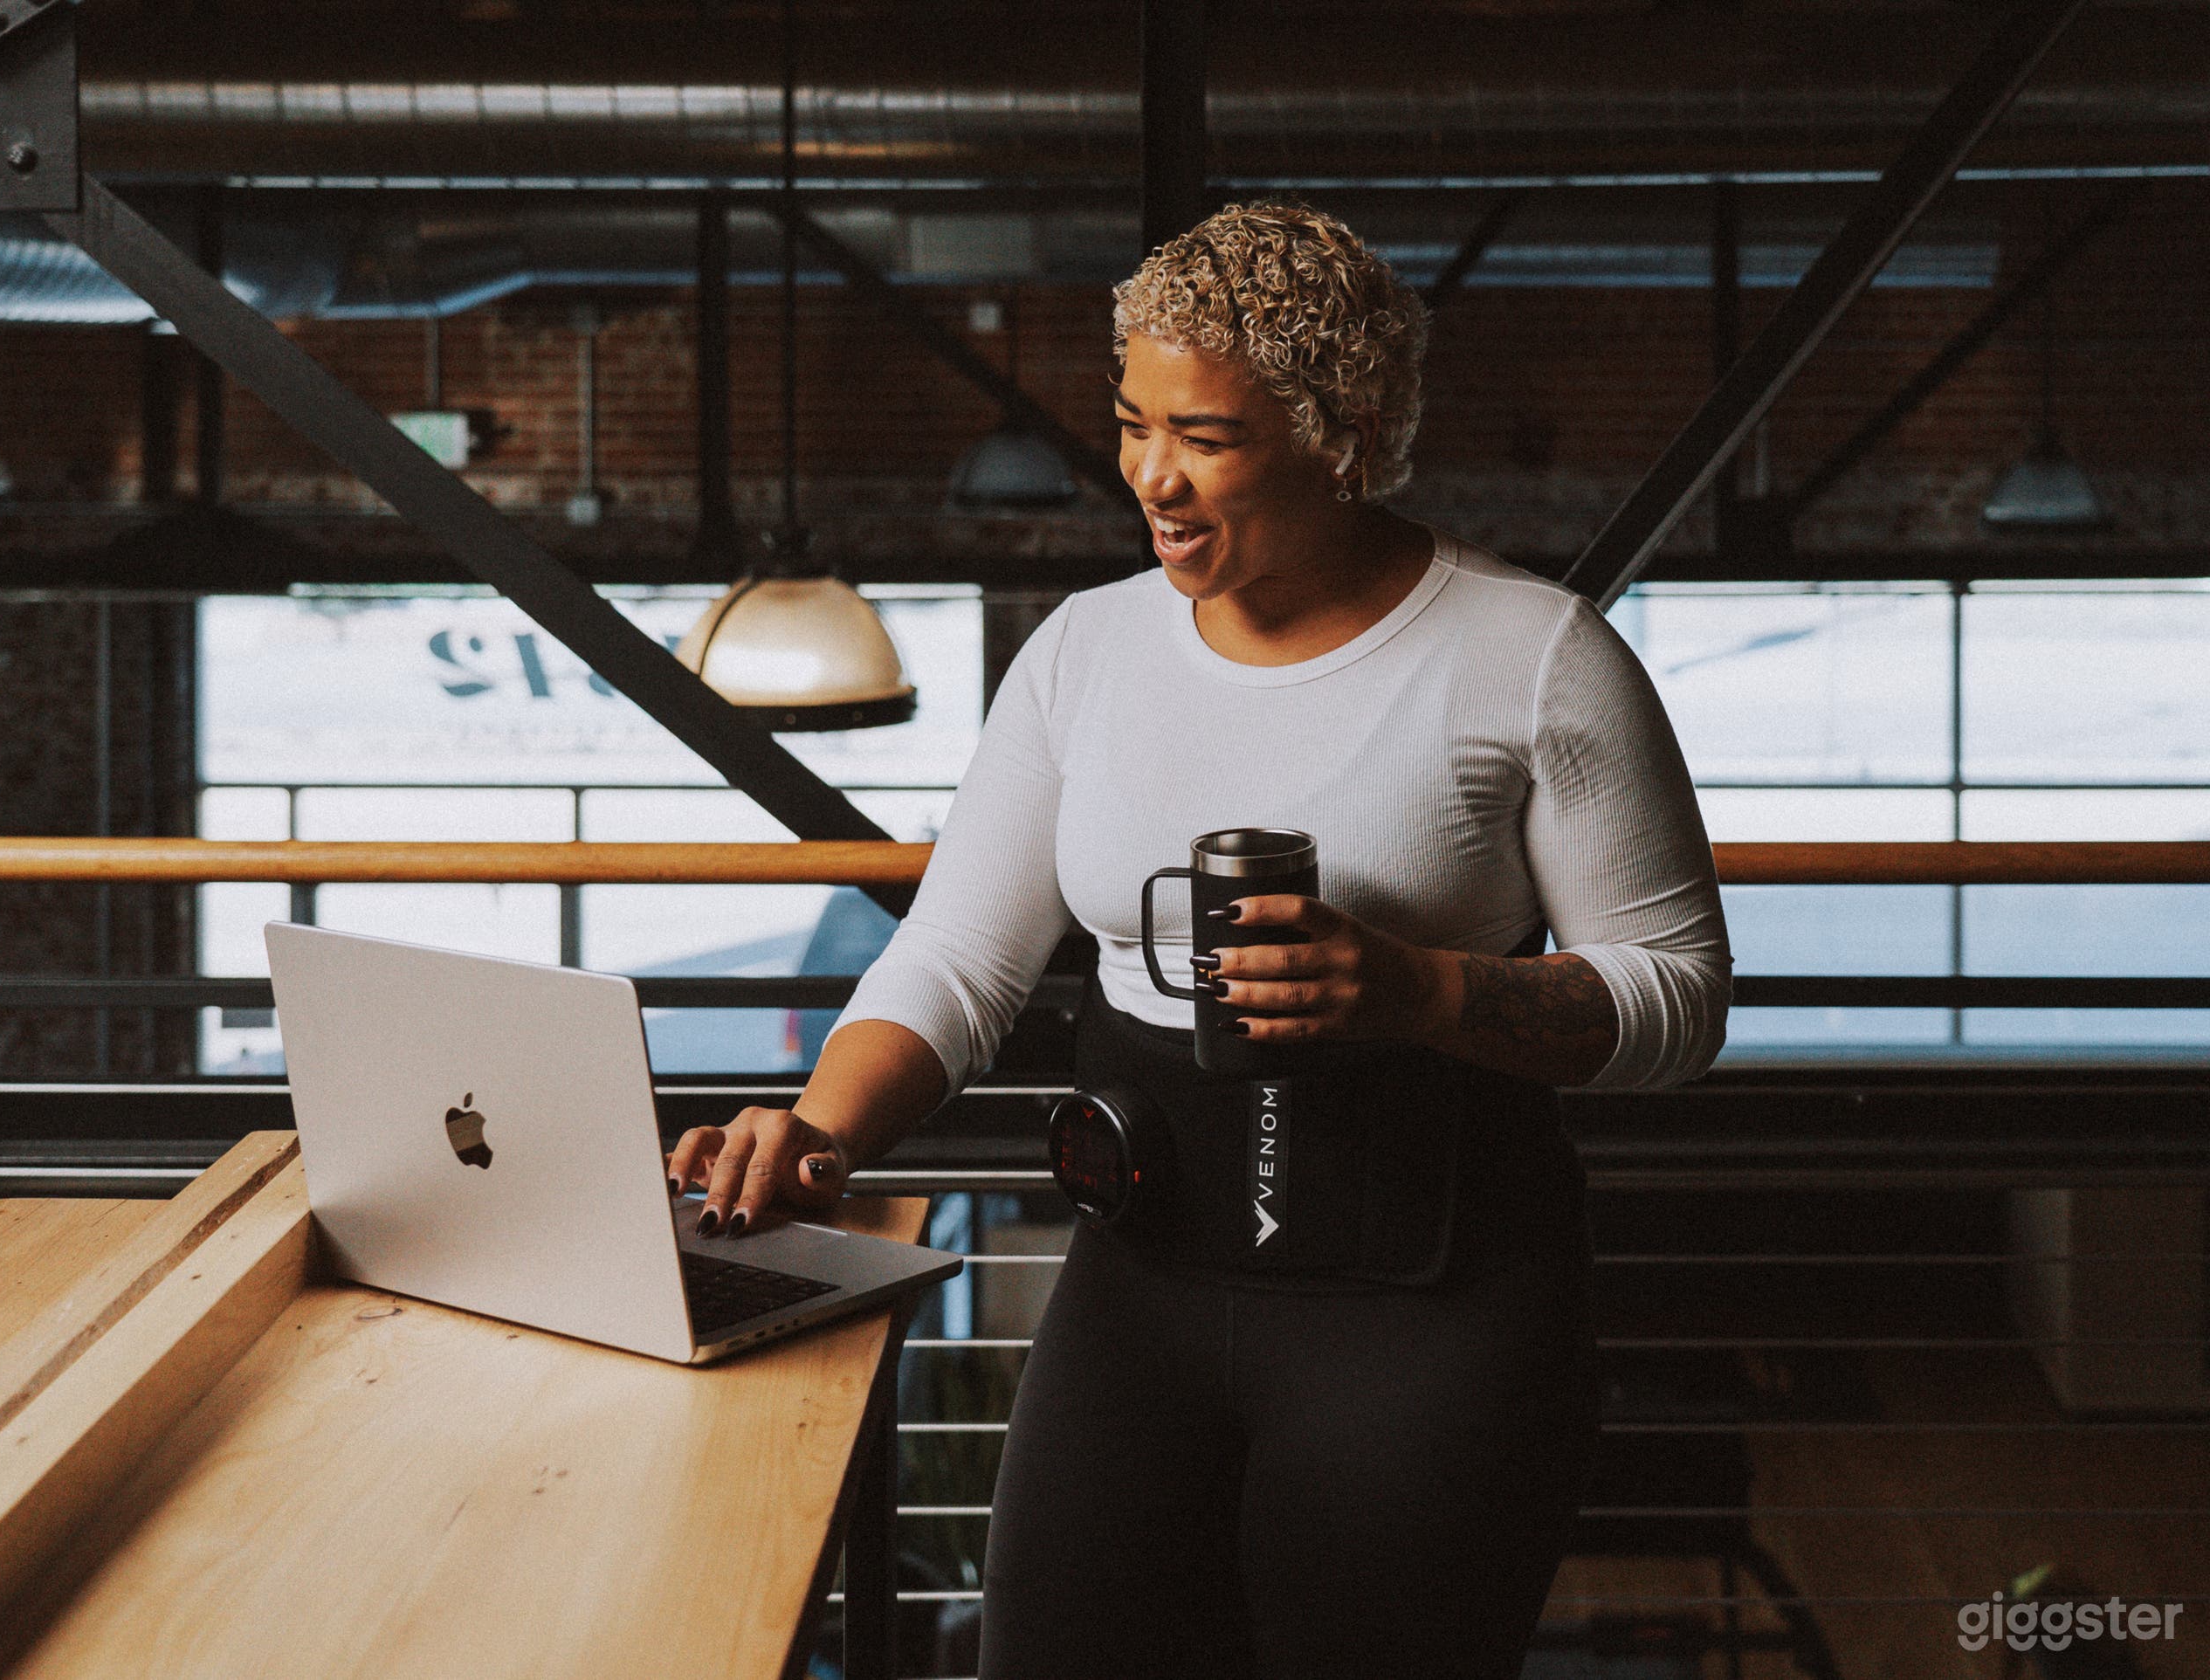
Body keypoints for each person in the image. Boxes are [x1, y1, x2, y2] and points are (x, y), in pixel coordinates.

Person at [667, 200, 1731, 1679]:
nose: (1152, 480)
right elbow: (958, 961)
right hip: (1143, 1295)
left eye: (1209, 439)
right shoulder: (1086, 652)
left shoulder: (1533, 657)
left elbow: (1677, 1002)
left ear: (1343, 426)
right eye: (1131, 424)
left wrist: (1420, 988)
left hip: (1432, 1319)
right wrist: (822, 1130)